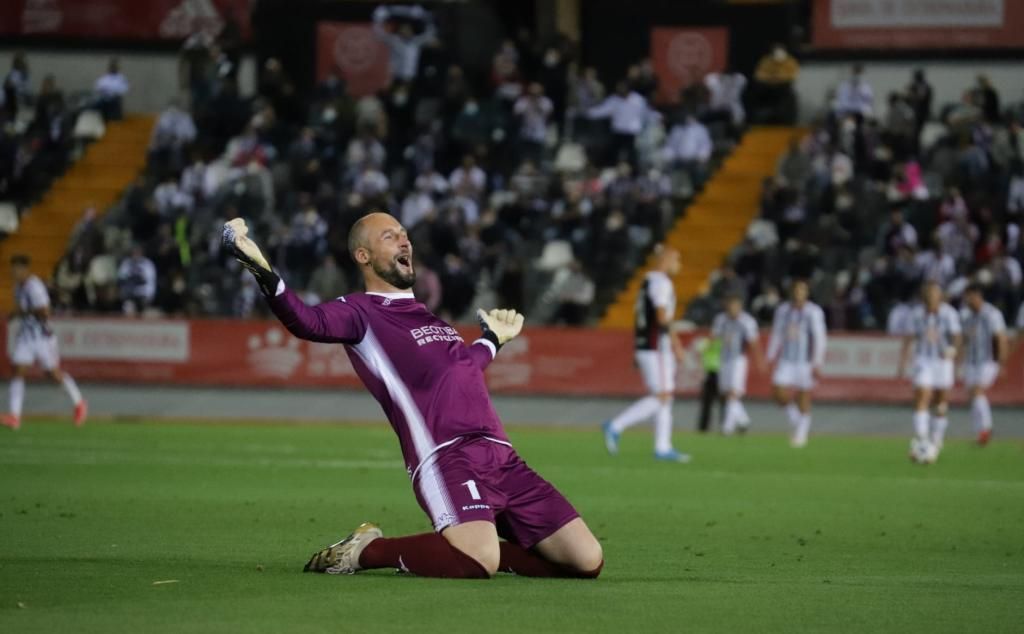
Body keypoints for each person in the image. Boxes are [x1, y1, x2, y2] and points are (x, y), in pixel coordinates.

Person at [222, 213, 603, 579]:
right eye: (389, 236)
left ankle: (478, 549)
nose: (404, 239)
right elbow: (305, 321)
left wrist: (491, 340)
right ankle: (365, 551)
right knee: (477, 559)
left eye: (404, 233)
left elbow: (461, 369)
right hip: (446, 456)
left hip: (501, 456)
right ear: (363, 256)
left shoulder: (427, 316)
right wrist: (263, 271)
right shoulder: (359, 312)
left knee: (586, 560)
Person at [602, 246, 690, 462]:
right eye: (676, 258)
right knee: (663, 396)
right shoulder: (661, 282)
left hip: (647, 345)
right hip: (656, 347)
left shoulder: (647, 281)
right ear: (666, 259)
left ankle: (662, 447)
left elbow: (643, 317)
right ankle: (616, 425)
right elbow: (661, 318)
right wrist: (677, 344)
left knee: (665, 397)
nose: (679, 264)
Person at [2, 255, 87, 430]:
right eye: (13, 269)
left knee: (53, 374)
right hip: (26, 336)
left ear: (25, 269)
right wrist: (14, 315)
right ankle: (14, 416)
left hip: (42, 337)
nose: (14, 272)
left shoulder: (34, 287)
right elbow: (22, 308)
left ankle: (79, 402)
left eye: (16, 269)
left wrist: (22, 313)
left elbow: (45, 312)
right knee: (18, 371)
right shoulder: (18, 287)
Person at [897, 281, 961, 464]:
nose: (931, 297)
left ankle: (936, 438)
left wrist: (953, 350)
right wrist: (902, 361)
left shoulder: (949, 313)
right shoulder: (916, 314)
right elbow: (909, 337)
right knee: (922, 395)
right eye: (928, 293)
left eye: (934, 293)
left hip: (943, 361)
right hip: (923, 360)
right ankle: (922, 439)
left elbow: (957, 337)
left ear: (939, 296)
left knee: (941, 402)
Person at [766, 279, 827, 448]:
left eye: (802, 290)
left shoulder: (813, 311)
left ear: (807, 293)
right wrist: (770, 356)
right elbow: (777, 333)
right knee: (778, 392)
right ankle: (797, 420)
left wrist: (817, 362)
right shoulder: (783, 310)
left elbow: (819, 338)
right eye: (796, 289)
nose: (799, 293)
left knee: (803, 396)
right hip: (786, 359)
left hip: (805, 361)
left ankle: (801, 434)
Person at [959, 284, 1008, 446]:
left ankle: (986, 428)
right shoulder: (966, 316)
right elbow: (964, 340)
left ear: (977, 296)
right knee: (972, 395)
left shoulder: (992, 314)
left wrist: (1002, 362)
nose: (967, 300)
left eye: (969, 297)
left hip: (988, 361)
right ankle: (980, 430)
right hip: (971, 361)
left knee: (976, 390)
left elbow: (1000, 338)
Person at [712, 295, 765, 435]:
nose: (733, 309)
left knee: (733, 393)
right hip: (723, 359)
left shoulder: (747, 321)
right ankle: (743, 420)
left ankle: (727, 428)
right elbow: (715, 338)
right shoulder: (720, 320)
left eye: (735, 306)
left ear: (740, 307)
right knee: (725, 392)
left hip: (738, 360)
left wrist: (759, 360)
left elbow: (753, 342)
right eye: (730, 306)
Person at [695, 335, 721, 433]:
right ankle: (703, 427)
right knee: (706, 402)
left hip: (721, 373)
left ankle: (725, 425)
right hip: (709, 374)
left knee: (725, 401)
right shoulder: (706, 342)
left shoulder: (721, 342)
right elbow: (700, 349)